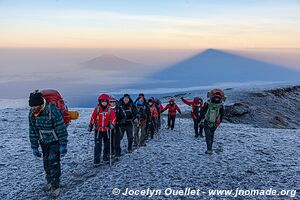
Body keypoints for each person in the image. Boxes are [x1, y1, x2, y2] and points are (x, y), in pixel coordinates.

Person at [28, 91, 68, 197]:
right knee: (46, 162)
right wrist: (34, 146)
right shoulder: (32, 114)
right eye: (31, 106)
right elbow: (33, 130)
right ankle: (49, 181)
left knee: (53, 161)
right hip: (43, 141)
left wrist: (63, 144)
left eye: (35, 106)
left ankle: (56, 186)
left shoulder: (52, 110)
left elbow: (61, 128)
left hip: (55, 141)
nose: (33, 109)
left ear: (41, 104)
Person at [88, 94, 116, 166]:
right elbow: (93, 118)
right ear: (100, 101)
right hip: (98, 130)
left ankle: (105, 158)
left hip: (107, 130)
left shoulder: (110, 110)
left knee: (107, 145)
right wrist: (91, 125)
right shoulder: (97, 109)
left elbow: (114, 118)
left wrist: (112, 124)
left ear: (108, 102)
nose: (104, 102)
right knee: (98, 145)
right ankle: (96, 161)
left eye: (105, 101)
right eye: (102, 101)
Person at [200, 89, 225, 155]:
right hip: (211, 122)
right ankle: (209, 149)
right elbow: (222, 114)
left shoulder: (208, 103)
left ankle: (209, 149)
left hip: (211, 122)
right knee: (209, 135)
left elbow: (202, 111)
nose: (216, 99)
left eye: (217, 97)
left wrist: (202, 119)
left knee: (210, 135)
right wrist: (219, 122)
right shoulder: (220, 105)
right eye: (216, 97)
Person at [109, 95, 126, 160]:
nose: (112, 102)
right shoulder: (107, 108)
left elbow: (124, 117)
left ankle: (118, 153)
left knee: (117, 140)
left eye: (113, 101)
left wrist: (120, 123)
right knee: (110, 140)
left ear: (115, 101)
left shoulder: (119, 108)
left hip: (117, 127)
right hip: (109, 127)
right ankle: (111, 152)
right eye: (111, 101)